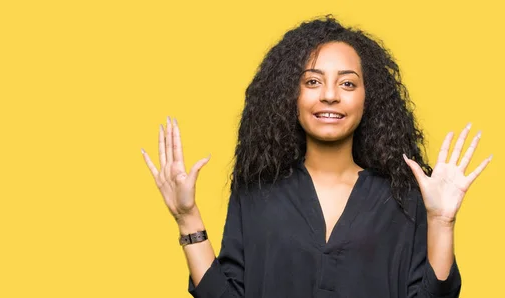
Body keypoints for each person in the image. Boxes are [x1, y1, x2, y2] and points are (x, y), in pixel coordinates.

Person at [141, 15, 491, 298]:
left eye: (347, 83)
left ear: (368, 99)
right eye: (312, 82)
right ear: (290, 95)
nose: (329, 95)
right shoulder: (256, 191)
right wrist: (187, 218)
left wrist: (442, 223)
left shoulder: (405, 195)